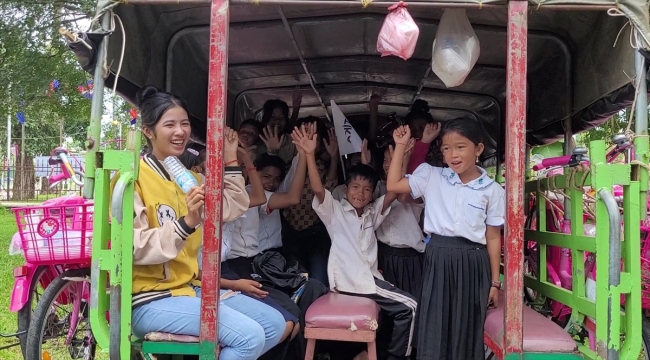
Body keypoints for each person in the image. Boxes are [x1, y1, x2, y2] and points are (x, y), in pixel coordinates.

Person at [124, 86, 286, 360]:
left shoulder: (189, 179)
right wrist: (186, 223)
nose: (180, 132)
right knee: (250, 337)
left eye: (184, 124)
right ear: (148, 132)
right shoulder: (132, 179)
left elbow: (235, 204)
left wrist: (232, 156)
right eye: (170, 125)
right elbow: (134, 247)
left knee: (274, 325)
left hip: (188, 289)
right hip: (149, 298)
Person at [294, 124, 417, 360]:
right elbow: (318, 188)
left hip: (369, 281)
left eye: (367, 189)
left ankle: (375, 354)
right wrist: (309, 154)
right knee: (410, 307)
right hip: (355, 283)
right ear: (345, 189)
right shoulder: (335, 212)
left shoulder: (373, 212)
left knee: (401, 311)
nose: (360, 193)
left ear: (373, 193)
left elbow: (392, 190)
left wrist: (401, 150)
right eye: (355, 187)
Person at [386, 119, 505, 360]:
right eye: (446, 148)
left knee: (466, 329)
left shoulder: (493, 191)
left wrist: (495, 283)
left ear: (478, 149)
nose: (453, 154)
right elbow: (394, 185)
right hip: (437, 256)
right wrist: (400, 146)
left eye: (460, 147)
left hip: (474, 262)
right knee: (434, 324)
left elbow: (493, 238)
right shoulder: (432, 175)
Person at [279, 116, 339, 286]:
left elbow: (328, 190)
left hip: (316, 230)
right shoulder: (288, 164)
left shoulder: (321, 165)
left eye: (311, 135)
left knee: (318, 280)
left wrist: (334, 157)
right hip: (289, 229)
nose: (306, 139)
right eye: (301, 134)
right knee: (294, 280)